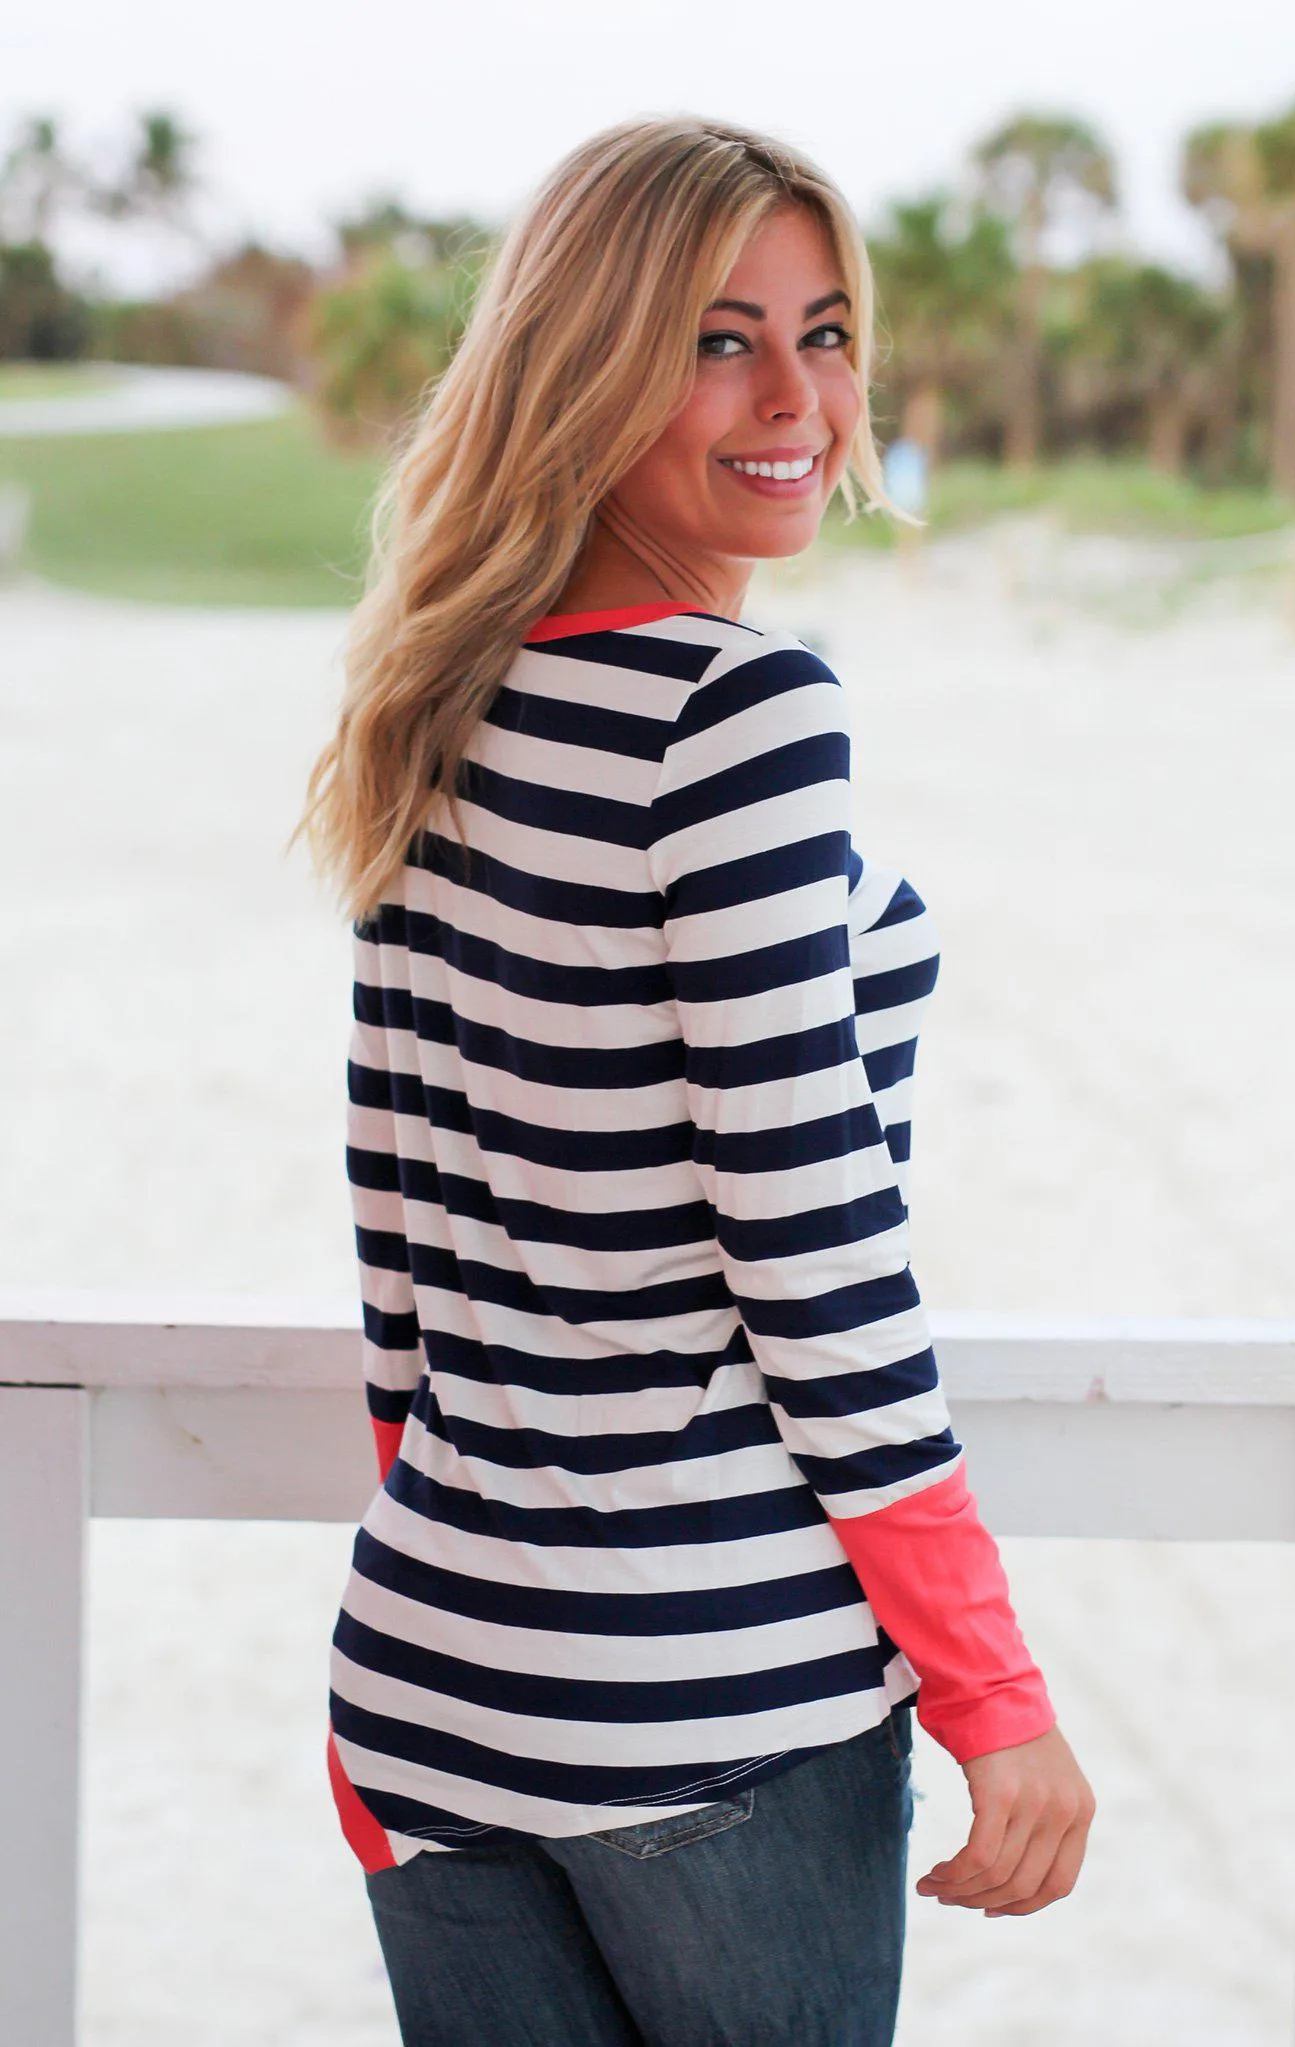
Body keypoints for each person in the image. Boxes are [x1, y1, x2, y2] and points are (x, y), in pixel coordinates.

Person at [298, 115, 1094, 2047]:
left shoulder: (435, 698)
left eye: (825, 334)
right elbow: (813, 1254)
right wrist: (994, 1693)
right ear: (583, 365)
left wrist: (489, 1580)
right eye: (717, 338)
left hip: (431, 1669)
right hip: (704, 1700)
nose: (797, 399)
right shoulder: (740, 715)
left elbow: (396, 1241)